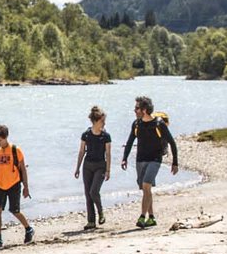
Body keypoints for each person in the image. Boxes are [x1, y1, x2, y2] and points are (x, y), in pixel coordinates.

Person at [119, 96, 179, 227]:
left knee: (146, 186)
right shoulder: (136, 124)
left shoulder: (159, 124)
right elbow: (130, 142)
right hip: (140, 160)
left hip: (155, 160)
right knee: (146, 190)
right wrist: (124, 158)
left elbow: (172, 143)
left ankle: (142, 217)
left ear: (144, 110)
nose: (134, 110)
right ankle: (151, 217)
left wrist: (175, 163)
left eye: (137, 108)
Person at [0, 124, 33, 249]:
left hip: (14, 184)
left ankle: (28, 229)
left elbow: (23, 169)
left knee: (14, 210)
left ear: (5, 136)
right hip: (0, 185)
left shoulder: (15, 150)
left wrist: (26, 187)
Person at [74, 105, 112, 230]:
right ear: (96, 121)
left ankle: (101, 213)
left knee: (93, 191)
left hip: (100, 166)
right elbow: (81, 152)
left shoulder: (106, 136)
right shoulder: (86, 135)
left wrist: (108, 170)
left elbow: (108, 153)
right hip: (87, 166)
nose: (104, 123)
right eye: (102, 121)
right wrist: (77, 168)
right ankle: (91, 221)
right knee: (87, 193)